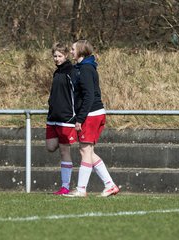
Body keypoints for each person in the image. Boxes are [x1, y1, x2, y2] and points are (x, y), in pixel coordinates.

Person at [65, 40, 119, 197]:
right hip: (91, 113)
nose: (71, 51)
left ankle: (81, 189)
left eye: (73, 49)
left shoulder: (87, 69)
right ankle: (110, 185)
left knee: (84, 150)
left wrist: (80, 119)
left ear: (81, 51)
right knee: (88, 151)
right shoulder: (81, 68)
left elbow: (89, 96)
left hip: (92, 114)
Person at [46, 42, 77, 195]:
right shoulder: (56, 72)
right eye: (55, 56)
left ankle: (65, 186)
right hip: (53, 118)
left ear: (66, 55)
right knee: (51, 147)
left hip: (66, 118)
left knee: (64, 150)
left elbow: (77, 95)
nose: (56, 59)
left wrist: (75, 115)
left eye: (59, 56)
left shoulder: (71, 71)